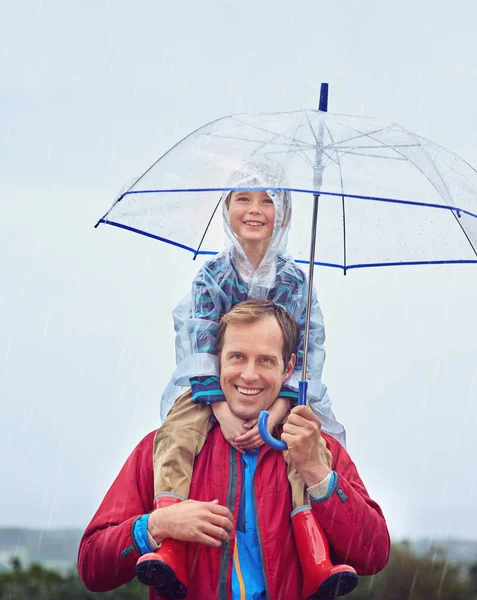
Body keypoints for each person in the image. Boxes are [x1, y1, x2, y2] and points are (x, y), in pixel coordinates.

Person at [78, 300, 390, 600]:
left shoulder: (319, 449)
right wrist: (158, 524)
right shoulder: (162, 448)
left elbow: (372, 555)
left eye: (266, 360)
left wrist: (316, 472)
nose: (249, 374)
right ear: (218, 361)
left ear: (288, 368)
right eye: (237, 357)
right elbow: (93, 567)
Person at [136, 158, 349, 595]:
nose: (254, 209)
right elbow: (199, 346)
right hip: (211, 390)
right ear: (226, 209)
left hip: (280, 394)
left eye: (268, 200)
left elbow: (306, 351)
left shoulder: (295, 281)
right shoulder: (211, 277)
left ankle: (315, 556)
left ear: (284, 215)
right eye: (242, 199)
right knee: (176, 435)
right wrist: (222, 411)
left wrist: (280, 409)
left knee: (303, 446)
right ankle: (171, 546)